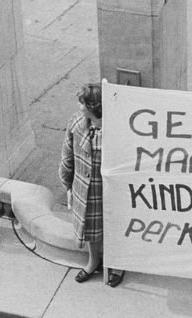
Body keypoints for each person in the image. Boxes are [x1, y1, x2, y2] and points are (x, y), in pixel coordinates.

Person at [59, 82, 124, 287]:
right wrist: (67, 184)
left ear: (94, 107)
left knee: (114, 227)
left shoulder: (115, 131)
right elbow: (67, 156)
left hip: (109, 190)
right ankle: (93, 260)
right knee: (90, 228)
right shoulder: (77, 124)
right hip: (84, 188)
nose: (80, 107)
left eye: (83, 103)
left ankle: (117, 264)